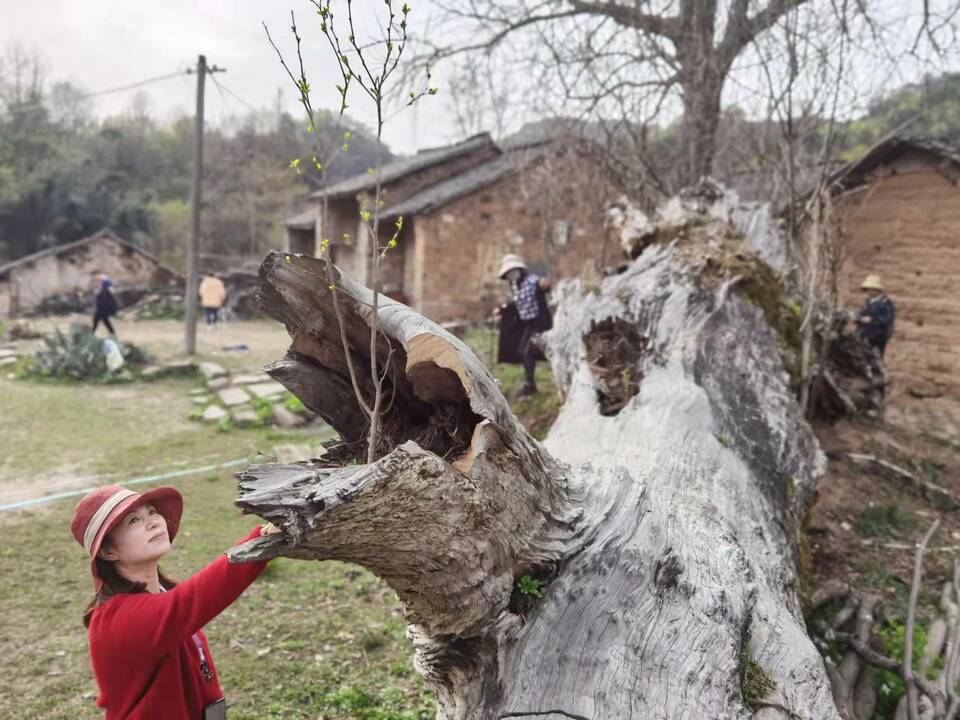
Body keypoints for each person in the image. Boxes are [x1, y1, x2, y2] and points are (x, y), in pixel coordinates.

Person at [71, 484, 279, 719]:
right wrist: (261, 539)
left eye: (151, 511)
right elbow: (198, 596)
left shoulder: (162, 593)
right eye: (133, 521)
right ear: (108, 552)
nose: (154, 522)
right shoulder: (117, 619)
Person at [497, 254, 552, 397]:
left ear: (520, 269)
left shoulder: (531, 280)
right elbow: (518, 303)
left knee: (529, 351)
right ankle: (530, 382)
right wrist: (502, 310)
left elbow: (542, 285)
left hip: (539, 323)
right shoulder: (516, 285)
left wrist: (544, 285)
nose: (512, 274)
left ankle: (530, 384)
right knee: (522, 349)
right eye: (509, 273)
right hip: (527, 324)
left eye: (514, 271)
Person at [856, 274, 896, 357]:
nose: (868, 292)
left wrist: (872, 320)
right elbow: (862, 315)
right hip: (865, 335)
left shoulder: (885, 303)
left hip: (878, 336)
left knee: (875, 358)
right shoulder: (868, 302)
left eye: (870, 289)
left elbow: (887, 319)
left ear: (876, 290)